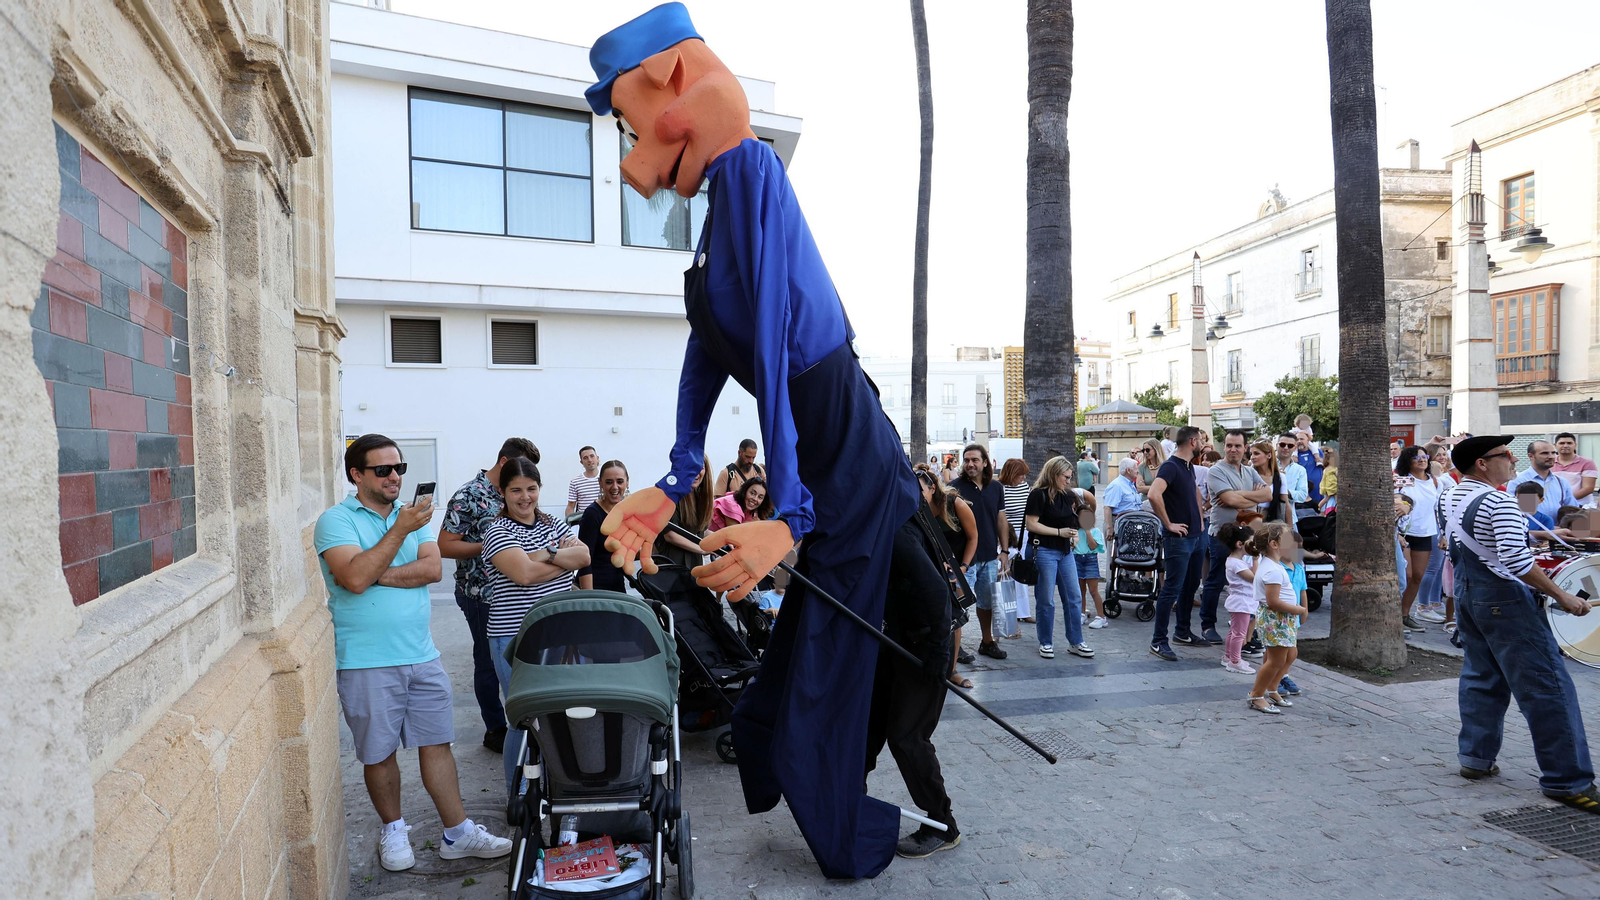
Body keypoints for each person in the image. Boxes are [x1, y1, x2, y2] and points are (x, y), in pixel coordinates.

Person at [314, 434, 512, 871]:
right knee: (378, 752)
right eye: (383, 469)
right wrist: (391, 542)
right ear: (357, 474)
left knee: (437, 744)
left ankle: (458, 832)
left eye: (399, 468)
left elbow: (430, 568)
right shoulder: (336, 521)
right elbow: (353, 579)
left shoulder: (415, 517)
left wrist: (373, 571)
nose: (394, 476)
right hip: (365, 659)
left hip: (422, 654)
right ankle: (393, 830)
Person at [1440, 434, 1600, 812]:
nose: (1512, 460)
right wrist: (1563, 596)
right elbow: (1514, 559)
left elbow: (1474, 537)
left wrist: (1538, 533)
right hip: (1504, 600)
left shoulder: (1452, 495)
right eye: (1505, 455)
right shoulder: (1499, 499)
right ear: (1482, 463)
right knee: (1548, 688)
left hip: (1468, 594)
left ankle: (1475, 759)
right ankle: (1567, 782)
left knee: (1482, 678)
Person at [481, 457, 590, 795]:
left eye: (531, 489)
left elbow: (585, 556)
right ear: (503, 492)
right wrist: (558, 557)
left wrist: (541, 554)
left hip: (558, 632)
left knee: (560, 714)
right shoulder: (496, 531)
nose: (524, 497)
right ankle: (519, 794)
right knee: (523, 718)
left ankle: (558, 786)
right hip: (514, 636)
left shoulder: (550, 522)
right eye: (516, 490)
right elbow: (523, 576)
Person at [866, 493, 967, 860]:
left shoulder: (896, 529)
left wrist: (941, 655)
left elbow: (937, 591)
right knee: (868, 724)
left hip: (924, 646)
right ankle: (849, 799)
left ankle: (943, 824)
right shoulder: (878, 519)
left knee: (907, 736)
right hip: (894, 640)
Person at [437, 437, 540, 753]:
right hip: (480, 593)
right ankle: (495, 729)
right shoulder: (469, 495)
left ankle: (524, 724)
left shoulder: (513, 493)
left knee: (518, 661)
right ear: (506, 463)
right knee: (488, 663)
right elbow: (445, 545)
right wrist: (493, 546)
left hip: (517, 593)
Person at [1199, 431, 1270, 646]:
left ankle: (1243, 626)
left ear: (1245, 448)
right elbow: (1228, 499)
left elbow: (1267, 495)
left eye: (1237, 446)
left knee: (1248, 581)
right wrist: (1248, 496)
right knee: (1217, 580)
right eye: (1229, 445)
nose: (1233, 449)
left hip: (1248, 536)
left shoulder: (1250, 471)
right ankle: (1208, 625)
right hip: (1223, 534)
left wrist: (1237, 496)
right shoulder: (1216, 471)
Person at [1146, 426, 1206, 661]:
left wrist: (1200, 521)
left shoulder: (1188, 466)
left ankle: (1182, 631)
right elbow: (1153, 494)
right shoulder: (1171, 466)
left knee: (1190, 586)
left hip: (1196, 537)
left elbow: (1195, 494)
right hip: (1178, 539)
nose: (1202, 443)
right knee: (1171, 589)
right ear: (1192, 442)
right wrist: (1169, 524)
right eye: (1200, 440)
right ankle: (1159, 641)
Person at [1024, 456, 1093, 659]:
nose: (1068, 481)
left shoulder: (1068, 495)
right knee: (1046, 599)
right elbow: (1031, 525)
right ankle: (1046, 642)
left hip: (1065, 551)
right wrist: (1059, 532)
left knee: (1074, 597)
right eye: (1065, 477)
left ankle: (1076, 641)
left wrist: (1073, 534)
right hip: (1044, 550)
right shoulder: (1038, 494)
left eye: (1070, 477)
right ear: (1054, 474)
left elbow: (1074, 519)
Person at [916, 465, 979, 684]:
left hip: (957, 569)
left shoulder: (954, 504)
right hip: (930, 570)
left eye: (920, 489)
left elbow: (973, 537)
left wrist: (963, 566)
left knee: (955, 618)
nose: (917, 494)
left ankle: (952, 671)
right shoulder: (914, 509)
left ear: (932, 488)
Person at [952, 444, 1011, 661]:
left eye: (975, 460)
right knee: (959, 606)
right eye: (966, 460)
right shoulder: (953, 488)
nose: (970, 464)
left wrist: (1004, 551)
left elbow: (1001, 520)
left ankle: (987, 642)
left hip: (989, 557)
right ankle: (956, 647)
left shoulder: (996, 488)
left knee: (986, 605)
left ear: (985, 462)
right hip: (963, 560)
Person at [1245, 522, 1306, 714]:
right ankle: (1256, 695)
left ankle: (1272, 689)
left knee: (1288, 655)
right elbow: (1273, 602)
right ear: (1274, 544)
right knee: (1276, 660)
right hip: (1276, 619)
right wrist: (1298, 610)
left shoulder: (1275, 565)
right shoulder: (1271, 569)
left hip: (1282, 619)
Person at [1395, 445, 1445, 631]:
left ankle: (1405, 614)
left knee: (1417, 576)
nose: (1422, 460)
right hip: (1405, 533)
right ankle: (1395, 613)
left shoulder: (1435, 482)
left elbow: (1440, 509)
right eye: (1416, 457)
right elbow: (1397, 501)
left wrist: (1443, 534)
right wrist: (1398, 533)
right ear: (1408, 461)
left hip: (1426, 533)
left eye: (1424, 457)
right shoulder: (1403, 480)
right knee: (1406, 575)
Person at [577, 460, 632, 592]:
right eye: (609, 482)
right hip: (596, 588)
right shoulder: (592, 514)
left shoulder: (627, 511)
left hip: (618, 585)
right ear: (600, 483)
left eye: (619, 481)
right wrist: (589, 597)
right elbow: (584, 559)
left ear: (627, 482)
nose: (615, 487)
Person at [658, 456, 714, 571]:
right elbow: (670, 535)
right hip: (672, 565)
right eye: (691, 467)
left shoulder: (700, 496)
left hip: (693, 565)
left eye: (701, 468)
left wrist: (725, 539)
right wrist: (702, 550)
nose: (696, 473)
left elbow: (702, 531)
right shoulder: (669, 494)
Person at [1216, 522, 1256, 675]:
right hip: (1241, 603)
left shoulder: (1237, 561)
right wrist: (1256, 560)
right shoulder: (1236, 564)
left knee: (1234, 631)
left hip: (1241, 601)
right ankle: (1235, 661)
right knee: (1239, 633)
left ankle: (1229, 656)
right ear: (1240, 544)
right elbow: (1255, 578)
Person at [997, 457, 1033, 624]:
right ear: (1012, 474)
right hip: (1007, 535)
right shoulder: (1001, 489)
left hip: (1024, 534)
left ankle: (1024, 611)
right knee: (1006, 573)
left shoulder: (1025, 487)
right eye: (1021, 474)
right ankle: (1008, 612)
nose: (1023, 477)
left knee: (1021, 571)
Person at [1508, 440, 1577, 523]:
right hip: (1530, 532)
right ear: (1531, 456)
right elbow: (1514, 512)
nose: (1551, 456)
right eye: (1545, 453)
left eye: (1553, 453)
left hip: (1558, 533)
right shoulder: (1518, 480)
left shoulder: (1561, 482)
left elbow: (1572, 509)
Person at [1073, 507, 1107, 628]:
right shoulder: (1075, 530)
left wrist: (1087, 531)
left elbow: (1093, 546)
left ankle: (1101, 616)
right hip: (1077, 559)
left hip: (1090, 559)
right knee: (1080, 590)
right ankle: (1081, 612)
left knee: (1093, 590)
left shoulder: (1095, 531)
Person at [1101, 457, 1144, 547]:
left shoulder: (1130, 484)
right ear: (1128, 470)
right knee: (1114, 555)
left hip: (1129, 524)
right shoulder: (1117, 485)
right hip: (1117, 524)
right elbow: (1107, 507)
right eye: (1136, 468)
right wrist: (1110, 528)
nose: (1138, 471)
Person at [710, 475, 775, 532]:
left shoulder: (752, 511)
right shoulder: (732, 505)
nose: (755, 499)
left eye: (760, 497)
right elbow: (736, 536)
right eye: (752, 493)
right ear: (745, 490)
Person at [1250, 440, 1293, 525]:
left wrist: (1290, 528)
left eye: (1256, 453)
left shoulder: (1279, 477)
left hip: (1273, 519)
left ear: (1268, 455)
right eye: (1251, 454)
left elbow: (1286, 504)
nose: (1252, 457)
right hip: (1251, 519)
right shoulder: (1248, 475)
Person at [1552, 432, 1598, 509]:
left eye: (1569, 443)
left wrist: (1566, 500)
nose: (1565, 446)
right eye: (1562, 443)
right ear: (1555, 445)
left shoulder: (1587, 463)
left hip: (1581, 507)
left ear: (1575, 445)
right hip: (1555, 505)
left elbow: (1588, 488)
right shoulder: (1549, 463)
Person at [1274, 434, 1311, 521]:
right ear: (1276, 445)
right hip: (1266, 516)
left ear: (1295, 448)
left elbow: (1303, 495)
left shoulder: (1300, 470)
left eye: (1290, 446)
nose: (1286, 448)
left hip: (1289, 518)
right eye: (1282, 444)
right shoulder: (1265, 464)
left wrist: (1286, 492)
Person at [565, 445, 602, 517]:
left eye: (592, 456)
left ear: (597, 458)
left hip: (604, 520)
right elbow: (570, 506)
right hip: (583, 520)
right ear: (581, 462)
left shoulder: (606, 479)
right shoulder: (575, 482)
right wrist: (569, 523)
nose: (590, 460)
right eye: (585, 458)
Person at [1294, 430, 1323, 516]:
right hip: (1302, 495)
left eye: (1302, 439)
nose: (1299, 441)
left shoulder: (1317, 452)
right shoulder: (1293, 456)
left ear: (1308, 440)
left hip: (1318, 492)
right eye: (1297, 439)